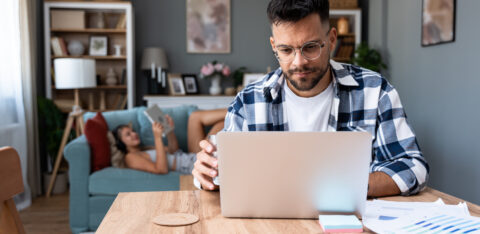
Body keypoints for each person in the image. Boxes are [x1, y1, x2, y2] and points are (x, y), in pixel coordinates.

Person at [192, 0, 429, 197]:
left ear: (332, 40)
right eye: (286, 50)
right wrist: (207, 175)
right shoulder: (248, 102)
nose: (299, 62)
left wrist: (347, 188)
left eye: (311, 47)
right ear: (274, 46)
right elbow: (226, 176)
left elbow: (413, 167)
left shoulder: (375, 91)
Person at [113, 108, 227, 174]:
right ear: (121, 142)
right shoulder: (130, 157)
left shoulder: (145, 149)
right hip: (193, 165)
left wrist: (169, 131)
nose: (134, 134)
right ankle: (239, 110)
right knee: (222, 124)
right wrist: (157, 137)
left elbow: (173, 150)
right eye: (128, 134)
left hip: (190, 156)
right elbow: (161, 169)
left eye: (132, 131)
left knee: (195, 116)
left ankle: (238, 108)